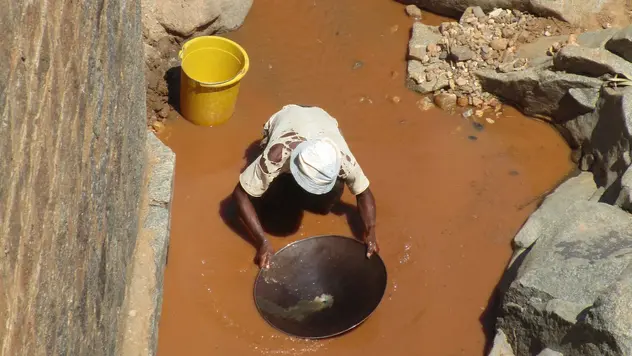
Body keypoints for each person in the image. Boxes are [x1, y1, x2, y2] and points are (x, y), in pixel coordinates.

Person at [232, 104, 378, 269]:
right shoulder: (276, 156)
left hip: (323, 119)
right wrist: (262, 242)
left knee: (325, 206)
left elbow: (363, 192)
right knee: (269, 199)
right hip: (287, 118)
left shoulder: (343, 160)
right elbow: (240, 194)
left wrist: (370, 231)